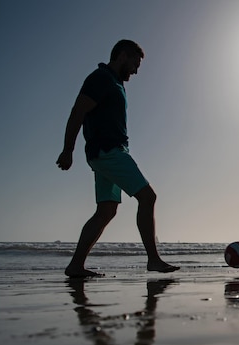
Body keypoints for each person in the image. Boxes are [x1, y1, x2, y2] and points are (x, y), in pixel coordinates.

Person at [56, 40, 179, 278]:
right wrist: (67, 149)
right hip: (108, 151)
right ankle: (153, 259)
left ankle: (75, 266)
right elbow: (78, 111)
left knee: (106, 210)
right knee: (147, 196)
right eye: (135, 62)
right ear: (122, 56)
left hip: (105, 153)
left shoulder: (115, 83)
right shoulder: (101, 78)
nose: (136, 69)